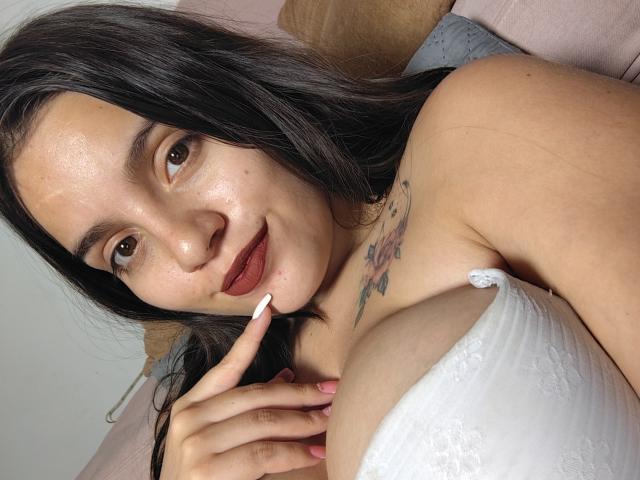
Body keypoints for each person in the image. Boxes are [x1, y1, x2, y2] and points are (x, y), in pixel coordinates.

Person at [1, 4, 639, 480]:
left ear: (232, 92)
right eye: (124, 248)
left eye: (176, 154)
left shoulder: (479, 130)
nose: (190, 247)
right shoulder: (222, 434)